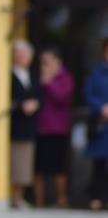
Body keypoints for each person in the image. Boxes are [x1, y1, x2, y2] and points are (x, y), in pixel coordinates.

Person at [33, 47, 74, 208]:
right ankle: (39, 200)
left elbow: (61, 98)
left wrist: (49, 83)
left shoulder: (65, 77)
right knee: (39, 167)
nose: (43, 65)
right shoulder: (39, 78)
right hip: (40, 128)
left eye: (47, 61)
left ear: (57, 62)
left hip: (57, 129)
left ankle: (61, 199)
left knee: (58, 167)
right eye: (42, 62)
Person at [10, 39, 40, 209]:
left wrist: (36, 103)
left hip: (29, 124)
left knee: (25, 162)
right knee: (16, 160)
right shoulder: (10, 75)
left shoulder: (31, 75)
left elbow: (39, 94)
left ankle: (19, 195)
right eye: (21, 54)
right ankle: (14, 196)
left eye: (27, 55)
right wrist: (22, 105)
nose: (24, 57)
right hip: (16, 123)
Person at [84, 39, 108, 210]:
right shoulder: (96, 72)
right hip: (101, 125)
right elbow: (88, 94)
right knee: (99, 164)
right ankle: (96, 198)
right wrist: (101, 107)